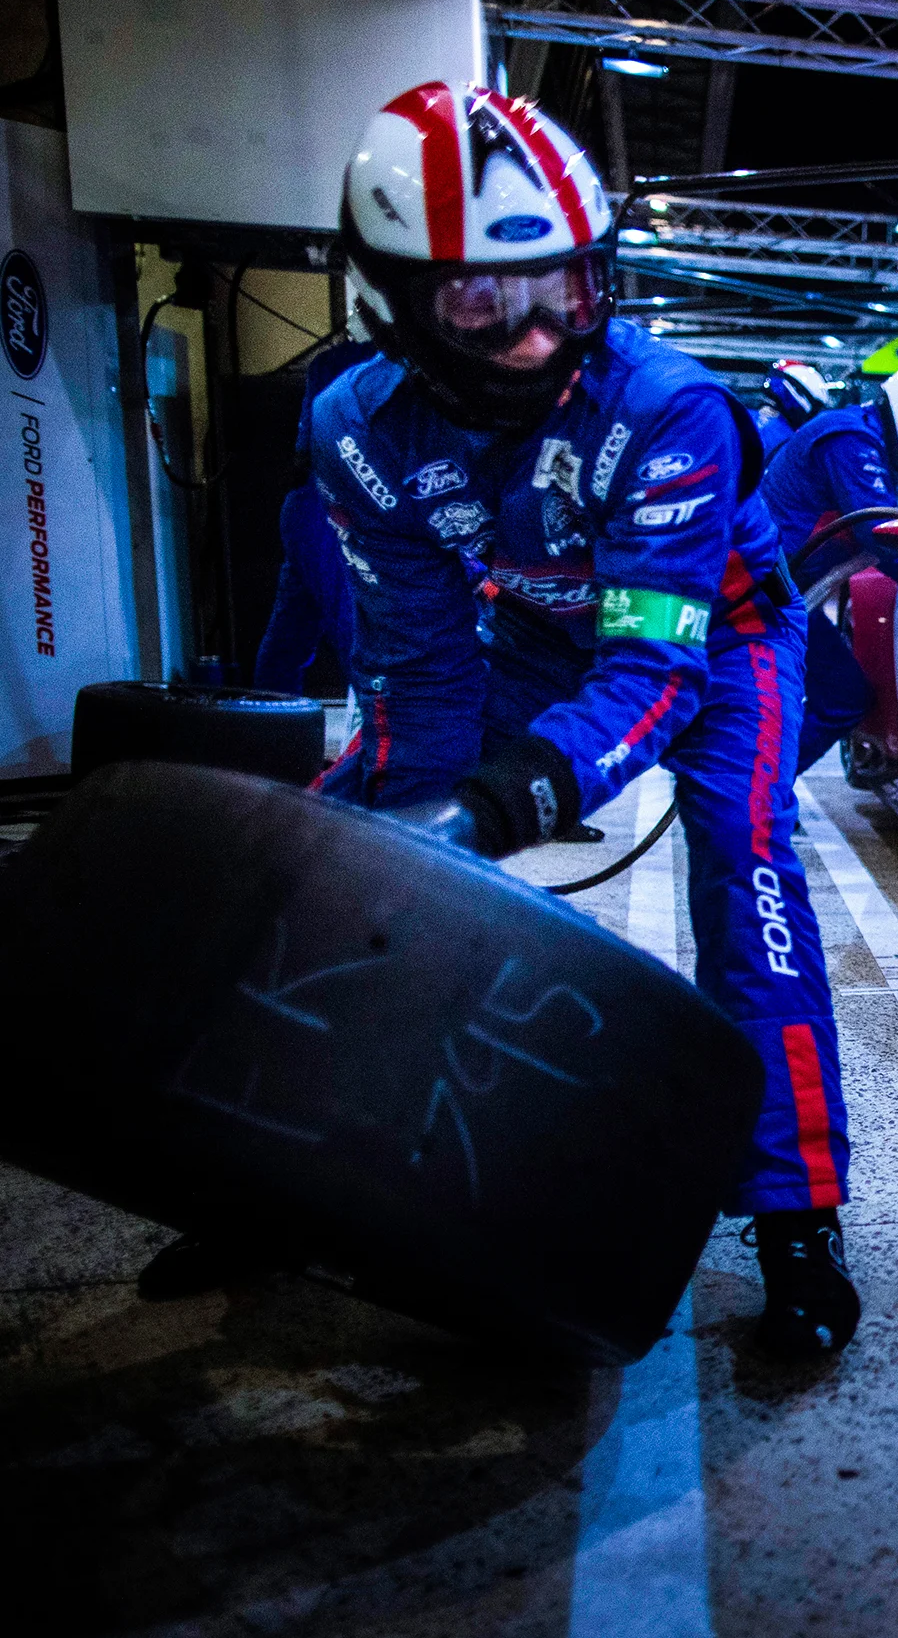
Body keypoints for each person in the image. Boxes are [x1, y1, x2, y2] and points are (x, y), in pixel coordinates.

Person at [152, 82, 858, 1359]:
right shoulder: (352, 431)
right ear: (390, 301)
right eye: (485, 301)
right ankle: (259, 1160)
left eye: (566, 289)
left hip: (721, 639)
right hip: (530, 636)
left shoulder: (673, 407)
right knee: (360, 841)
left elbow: (656, 677)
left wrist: (501, 802)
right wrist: (408, 841)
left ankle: (797, 1209)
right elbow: (416, 679)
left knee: (746, 859)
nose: (536, 338)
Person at [753, 356, 898, 779]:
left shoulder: (855, 436)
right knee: (836, 698)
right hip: (763, 597)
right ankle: (759, 789)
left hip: (775, 592)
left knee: (832, 697)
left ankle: (758, 787)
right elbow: (882, 535)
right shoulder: (852, 440)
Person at [253, 337, 379, 692]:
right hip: (333, 503)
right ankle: (373, 720)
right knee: (355, 632)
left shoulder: (332, 361)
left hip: (305, 504)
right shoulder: (384, 365)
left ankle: (269, 717)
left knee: (292, 631)